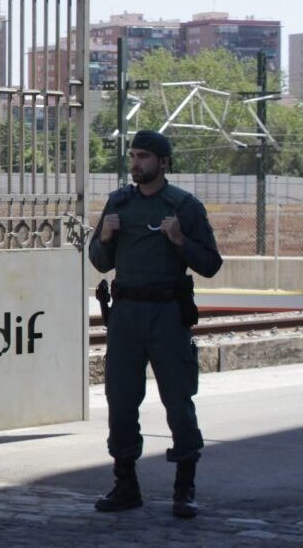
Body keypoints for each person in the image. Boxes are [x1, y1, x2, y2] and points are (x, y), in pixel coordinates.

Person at [88, 130, 222, 519]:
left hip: (167, 315)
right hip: (126, 314)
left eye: (144, 157)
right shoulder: (119, 202)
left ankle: (185, 487)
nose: (136, 164)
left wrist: (180, 241)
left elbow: (211, 264)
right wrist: (107, 236)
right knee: (121, 402)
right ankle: (125, 484)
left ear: (163, 162)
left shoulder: (184, 206)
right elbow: (99, 260)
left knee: (178, 401)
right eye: (132, 156)